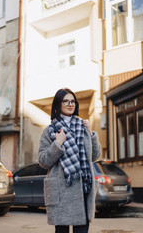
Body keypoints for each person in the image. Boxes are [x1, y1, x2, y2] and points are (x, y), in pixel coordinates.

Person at [38, 88, 101, 233]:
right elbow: (43, 161)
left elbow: (94, 156)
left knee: (82, 230)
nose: (70, 104)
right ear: (58, 104)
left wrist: (91, 134)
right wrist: (57, 144)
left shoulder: (83, 126)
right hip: (62, 190)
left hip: (83, 188)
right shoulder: (50, 131)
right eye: (65, 101)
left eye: (72, 101)